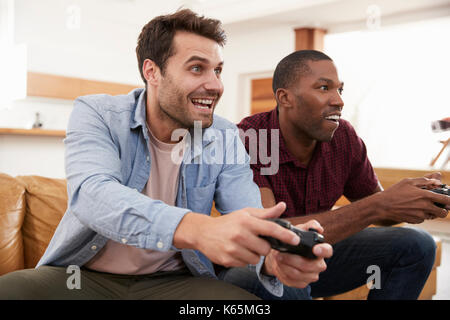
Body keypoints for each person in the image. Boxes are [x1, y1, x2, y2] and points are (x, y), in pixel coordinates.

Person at [0, 10, 332, 300]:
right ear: (152, 72)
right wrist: (197, 229)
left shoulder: (224, 134)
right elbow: (92, 194)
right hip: (83, 277)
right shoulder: (97, 112)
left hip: (175, 282)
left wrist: (272, 255)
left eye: (217, 70)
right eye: (197, 68)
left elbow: (247, 211)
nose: (215, 84)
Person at [225, 49, 450, 300]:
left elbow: (382, 211)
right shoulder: (248, 139)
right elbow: (267, 235)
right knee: (285, 277)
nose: (339, 101)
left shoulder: (343, 136)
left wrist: (412, 201)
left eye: (339, 90)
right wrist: (379, 205)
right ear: (285, 97)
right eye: (324, 88)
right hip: (258, 263)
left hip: (317, 260)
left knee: (417, 244)